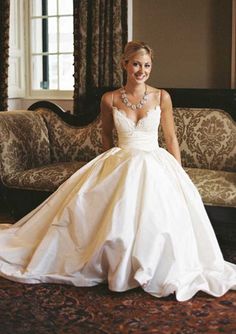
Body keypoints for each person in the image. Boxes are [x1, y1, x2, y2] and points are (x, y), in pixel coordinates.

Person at [0, 41, 235, 302]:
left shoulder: (161, 97)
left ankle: (149, 266)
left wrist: (178, 174)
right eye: (136, 64)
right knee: (105, 214)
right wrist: (113, 159)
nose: (141, 70)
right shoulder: (109, 98)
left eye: (146, 65)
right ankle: (114, 265)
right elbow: (105, 134)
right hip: (121, 158)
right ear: (124, 64)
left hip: (154, 160)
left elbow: (170, 138)